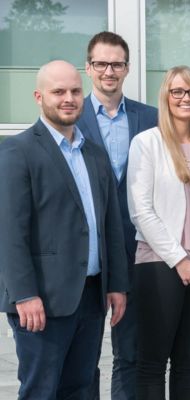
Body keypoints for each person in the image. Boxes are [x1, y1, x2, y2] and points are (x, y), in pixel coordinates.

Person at [0, 60, 129, 399]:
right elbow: (9, 233)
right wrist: (24, 294)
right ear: (39, 96)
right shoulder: (17, 151)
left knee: (82, 389)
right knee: (41, 391)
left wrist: (116, 284)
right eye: (58, 92)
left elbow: (110, 225)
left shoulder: (95, 154)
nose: (68, 98)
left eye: (74, 91)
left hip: (91, 296)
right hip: (43, 299)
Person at [127, 65, 190, 399]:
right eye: (178, 91)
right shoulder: (147, 143)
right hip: (160, 263)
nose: (186, 98)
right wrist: (180, 260)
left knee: (188, 362)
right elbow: (141, 211)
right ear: (166, 96)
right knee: (153, 362)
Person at [78, 30, 158, 400]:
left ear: (127, 68)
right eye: (101, 64)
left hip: (136, 249)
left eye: (116, 64)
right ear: (88, 67)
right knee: (82, 356)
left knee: (132, 351)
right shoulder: (70, 115)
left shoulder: (151, 117)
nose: (109, 71)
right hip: (87, 255)